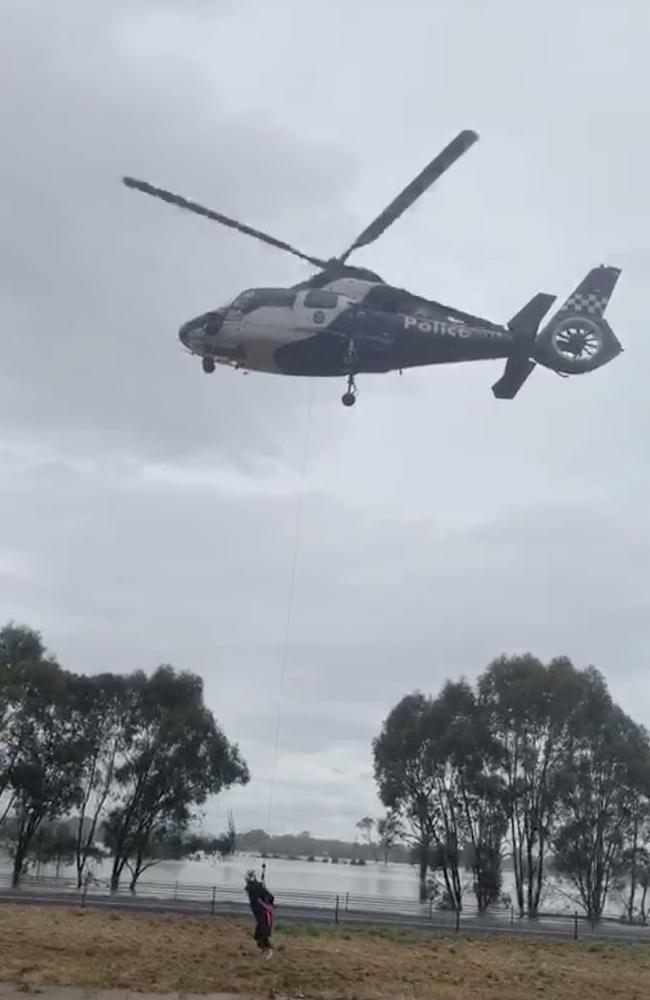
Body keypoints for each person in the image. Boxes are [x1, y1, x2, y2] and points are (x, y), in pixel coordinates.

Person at [244, 870, 275, 959]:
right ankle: (264, 949)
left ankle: (269, 950)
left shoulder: (257, 887)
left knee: (263, 935)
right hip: (259, 916)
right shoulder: (252, 888)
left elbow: (270, 897)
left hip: (265, 915)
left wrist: (268, 905)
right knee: (257, 936)